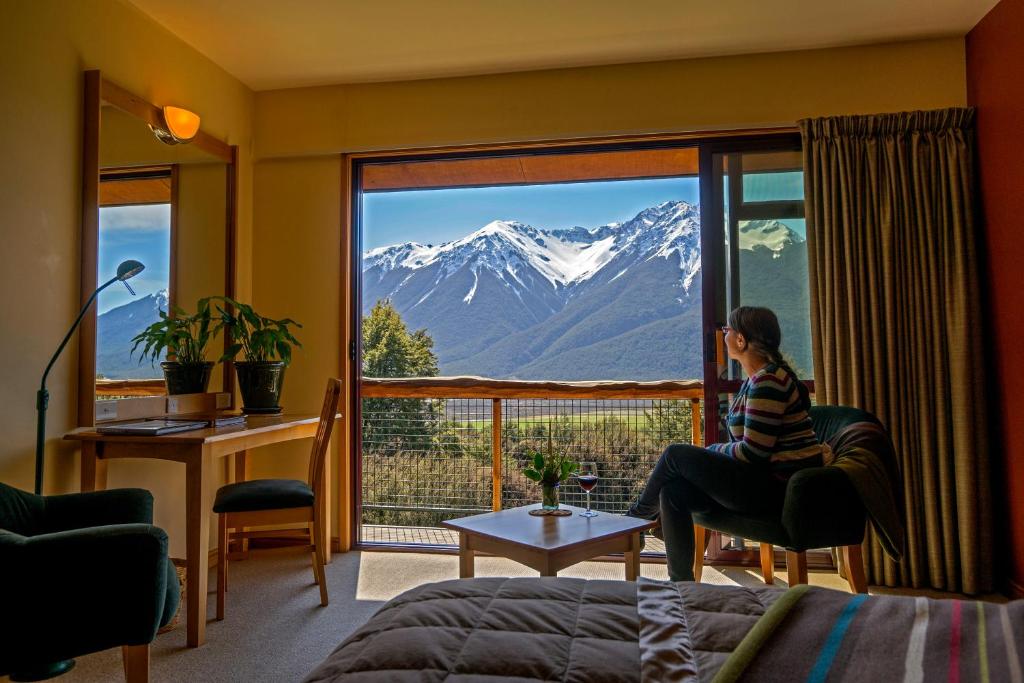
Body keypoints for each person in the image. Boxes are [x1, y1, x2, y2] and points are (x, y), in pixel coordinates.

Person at [627, 306, 829, 581]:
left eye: (727, 330)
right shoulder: (760, 378)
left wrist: (713, 450)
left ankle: (634, 521)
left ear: (741, 340)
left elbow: (754, 452)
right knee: (673, 491)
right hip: (762, 483)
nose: (724, 335)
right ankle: (681, 586)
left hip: (772, 491)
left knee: (675, 454)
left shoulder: (769, 381)